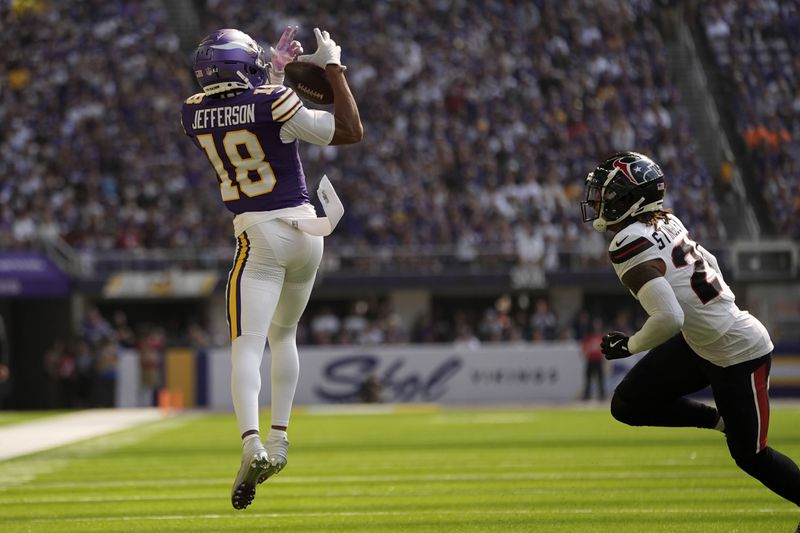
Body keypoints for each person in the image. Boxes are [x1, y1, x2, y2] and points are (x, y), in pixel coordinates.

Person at [181, 26, 362, 510]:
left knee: (246, 344)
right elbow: (348, 131)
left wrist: (279, 71)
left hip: (258, 236)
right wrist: (333, 67)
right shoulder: (273, 100)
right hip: (307, 231)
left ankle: (252, 443)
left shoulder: (193, 112)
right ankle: (279, 440)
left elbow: (247, 109)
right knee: (284, 338)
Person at [580, 151, 800, 509]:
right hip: (704, 341)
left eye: (606, 193)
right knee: (628, 404)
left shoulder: (627, 242)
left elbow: (669, 319)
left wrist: (628, 346)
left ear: (629, 199)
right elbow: (708, 261)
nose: (598, 202)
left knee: (751, 456)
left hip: (738, 352)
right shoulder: (666, 221)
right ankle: (720, 420)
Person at [580, 318, 606, 401]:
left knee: (600, 379)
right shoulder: (589, 337)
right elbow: (584, 348)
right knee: (588, 379)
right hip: (590, 360)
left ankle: (602, 395)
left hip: (598, 360)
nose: (597, 327)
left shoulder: (602, 337)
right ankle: (587, 395)